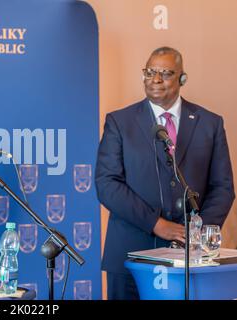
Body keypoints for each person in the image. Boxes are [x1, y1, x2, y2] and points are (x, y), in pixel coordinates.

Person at [95, 47, 235, 300]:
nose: (155, 79)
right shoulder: (120, 121)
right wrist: (156, 224)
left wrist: (197, 232)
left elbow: (223, 187)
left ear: (182, 79)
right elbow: (107, 184)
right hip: (130, 254)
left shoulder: (210, 123)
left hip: (192, 260)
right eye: (150, 72)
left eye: (165, 73)